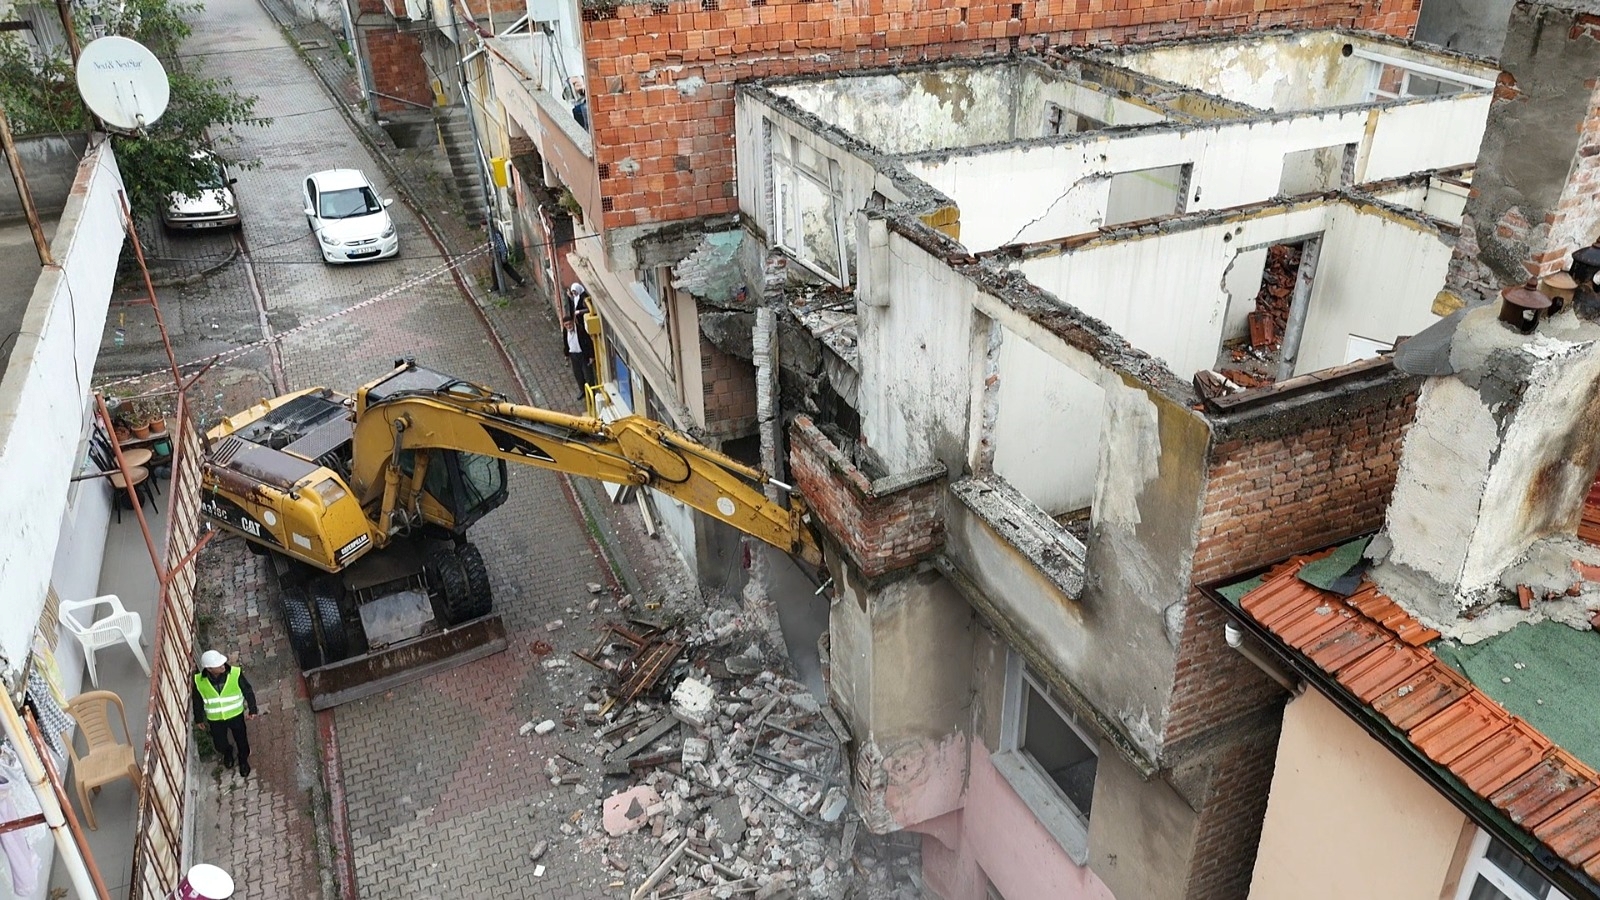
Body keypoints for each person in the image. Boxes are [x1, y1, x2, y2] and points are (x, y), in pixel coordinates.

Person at [191, 650, 259, 776]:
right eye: (219, 665)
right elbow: (197, 701)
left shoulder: (235, 674)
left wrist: (252, 708)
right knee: (219, 743)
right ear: (209, 669)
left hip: (236, 715)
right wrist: (198, 718)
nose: (223, 665)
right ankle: (227, 752)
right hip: (215, 719)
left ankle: (243, 759)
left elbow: (247, 691)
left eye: (222, 663)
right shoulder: (199, 681)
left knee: (241, 740)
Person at [562, 282, 596, 401]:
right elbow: (565, 343)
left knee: (588, 374)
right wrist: (566, 354)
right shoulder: (565, 331)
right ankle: (582, 391)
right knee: (578, 375)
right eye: (566, 325)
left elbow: (588, 342)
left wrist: (591, 356)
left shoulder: (580, 330)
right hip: (573, 355)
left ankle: (592, 391)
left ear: (572, 322)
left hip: (583, 354)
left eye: (569, 324)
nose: (568, 326)